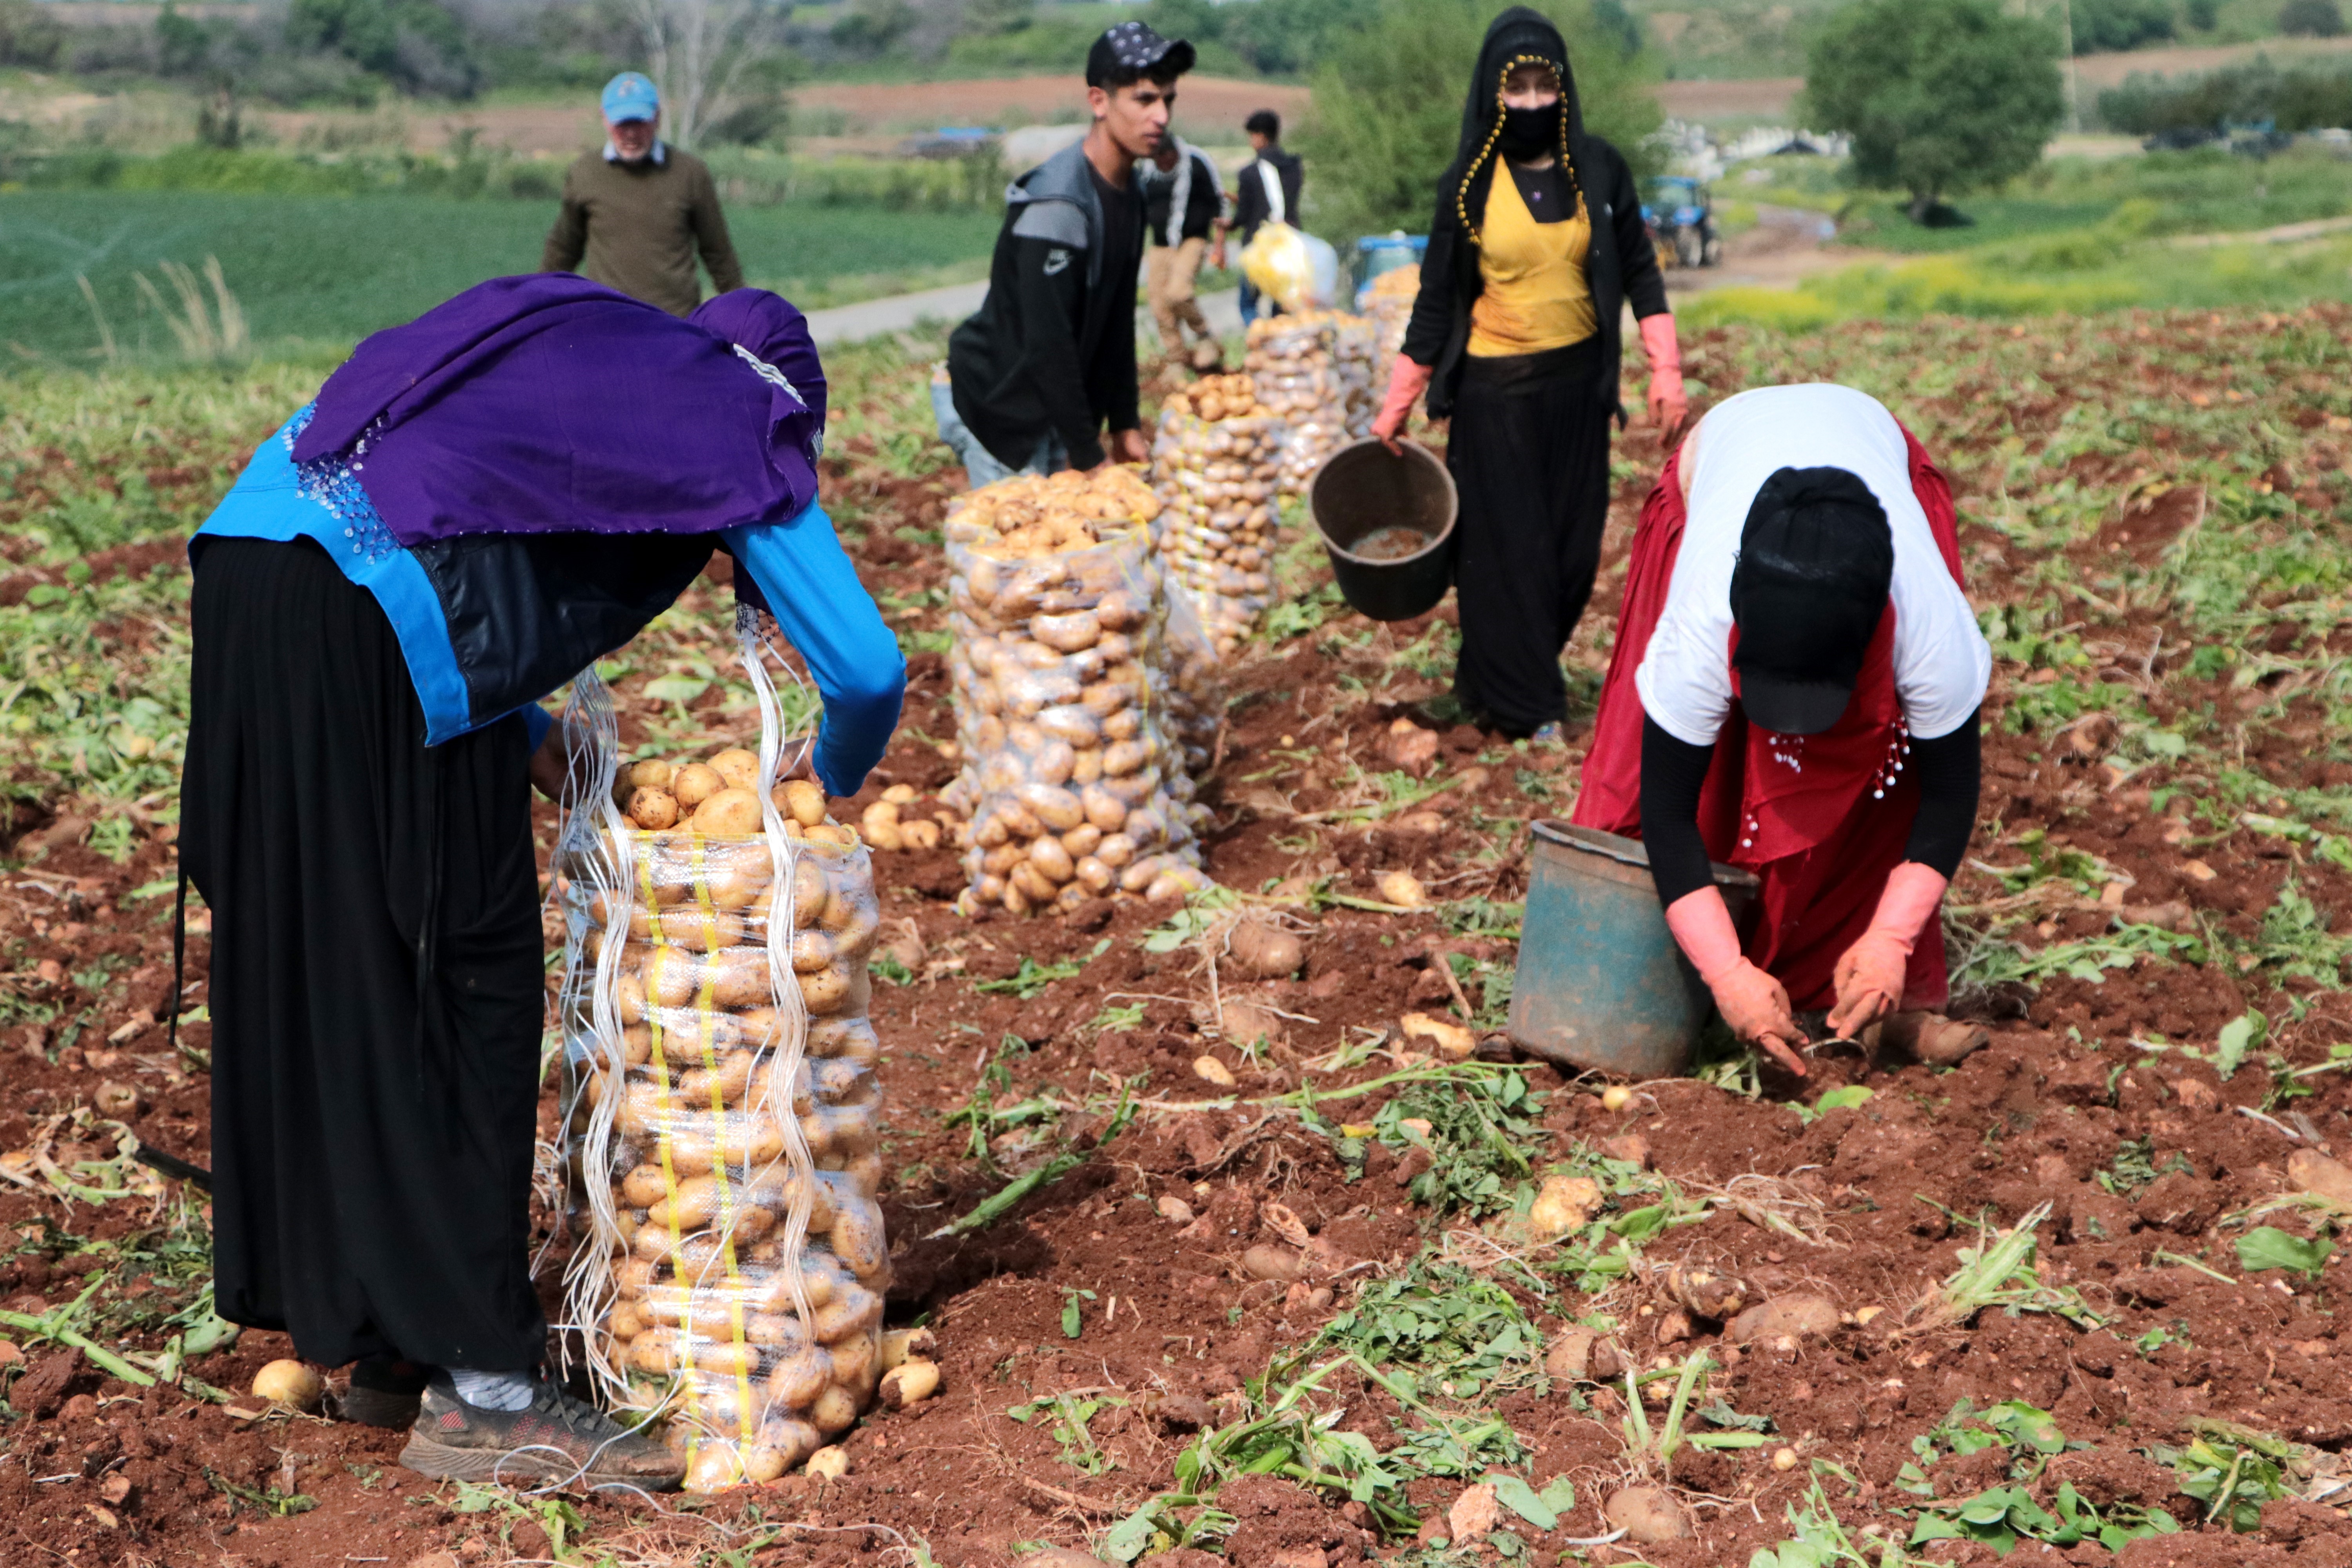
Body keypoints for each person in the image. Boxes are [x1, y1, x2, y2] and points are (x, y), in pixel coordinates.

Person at [180, 274, 905, 1489]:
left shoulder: (586, 367)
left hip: (250, 575)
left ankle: (390, 1341)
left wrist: (539, 743)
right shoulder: (738, 409)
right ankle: (488, 1392)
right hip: (366, 605)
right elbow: (868, 670)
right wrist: (812, 785)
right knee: (465, 981)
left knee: (345, 963)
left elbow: (452, 531)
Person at [1569, 383, 1992, 1078]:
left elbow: (1948, 795)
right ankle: (1696, 983)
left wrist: (1891, 938)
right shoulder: (1701, 620)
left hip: (1867, 445)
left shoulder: (1930, 628)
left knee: (1889, 785)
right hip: (1722, 451)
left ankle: (1866, 992)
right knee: (1670, 779)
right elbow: (1666, 812)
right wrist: (1725, 970)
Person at [1370, 7, 1684, 744]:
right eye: (1518, 89)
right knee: (1512, 556)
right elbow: (1436, 300)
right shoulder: (1469, 184)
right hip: (1496, 395)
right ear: (1494, 94)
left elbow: (1640, 270)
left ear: (1564, 88)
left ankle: (1491, 679)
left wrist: (1665, 371)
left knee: (1573, 556)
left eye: (1547, 86)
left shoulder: (1599, 169)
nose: (1534, 102)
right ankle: (1530, 708)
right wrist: (1396, 406)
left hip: (1580, 392)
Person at [936, 22, 1193, 488]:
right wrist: (1089, 454)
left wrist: (1125, 422)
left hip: (1052, 403)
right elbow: (1048, 341)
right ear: (1099, 102)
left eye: (1167, 100)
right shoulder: (1059, 204)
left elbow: (1116, 318)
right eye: (1144, 100)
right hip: (1003, 410)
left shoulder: (1131, 192)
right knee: (1025, 534)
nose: (1161, 116)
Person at [542, 71, 746, 317]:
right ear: (605, 119)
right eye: (622, 124)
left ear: (657, 118)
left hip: (674, 322)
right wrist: (536, 306)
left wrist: (743, 314)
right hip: (608, 320)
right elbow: (564, 249)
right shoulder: (584, 174)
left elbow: (718, 253)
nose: (631, 134)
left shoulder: (690, 173)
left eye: (639, 123)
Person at [1138, 130, 1225, 368]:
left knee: (1178, 293)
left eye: (1166, 160)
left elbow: (1219, 203)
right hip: (1160, 244)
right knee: (1159, 304)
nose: (1163, 165)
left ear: (1173, 153)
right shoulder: (1147, 171)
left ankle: (1204, 336)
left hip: (1192, 239)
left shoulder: (1196, 163)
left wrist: (1220, 245)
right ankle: (1177, 358)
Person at [1223, 108, 1302, 324]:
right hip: (1290, 244)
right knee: (1282, 306)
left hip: (1259, 247)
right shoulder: (1295, 167)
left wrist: (1230, 224)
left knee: (1248, 304)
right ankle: (1280, 339)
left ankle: (1261, 337)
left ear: (1260, 136)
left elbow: (1244, 214)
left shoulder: (1249, 172)